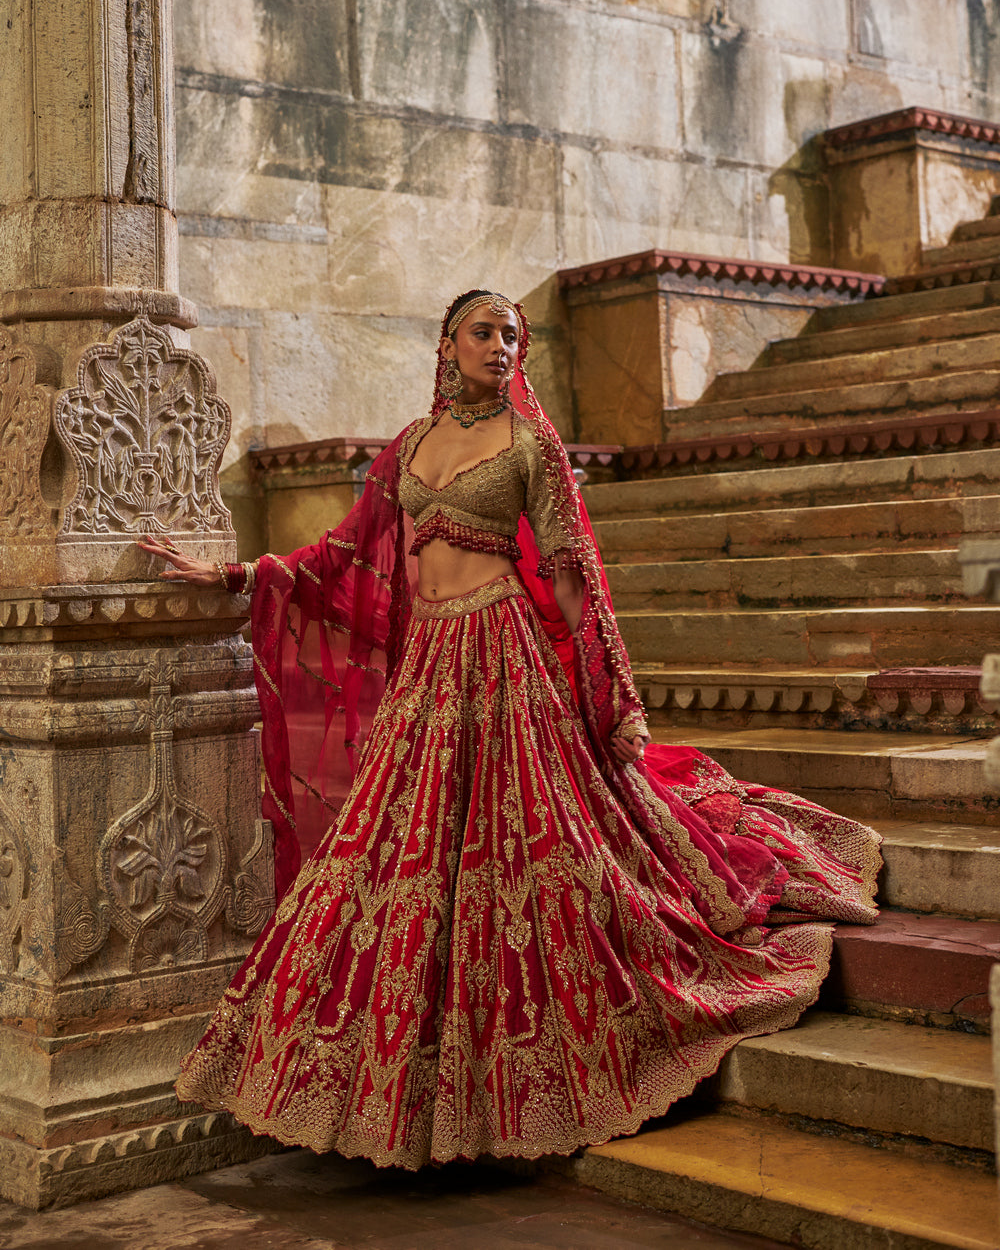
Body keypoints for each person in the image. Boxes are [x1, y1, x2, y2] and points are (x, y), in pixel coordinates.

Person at [139, 288, 880, 1171]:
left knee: (539, 855)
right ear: (448, 344)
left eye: (513, 335)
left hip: (505, 661)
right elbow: (340, 554)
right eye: (485, 332)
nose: (502, 345)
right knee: (393, 860)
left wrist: (609, 695)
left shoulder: (532, 444)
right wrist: (229, 573)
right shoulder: (411, 447)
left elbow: (573, 575)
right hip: (429, 672)